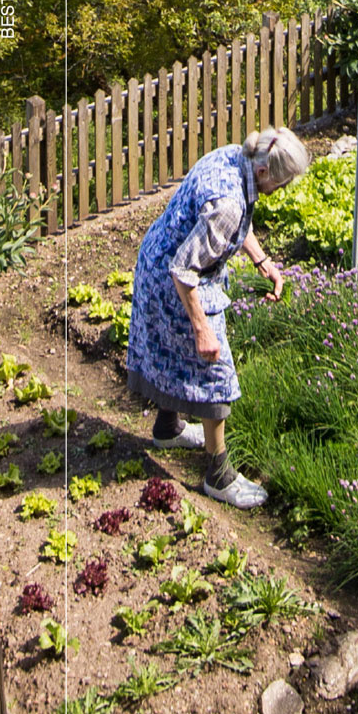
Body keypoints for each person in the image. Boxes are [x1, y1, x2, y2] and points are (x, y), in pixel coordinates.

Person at [125, 127, 311, 508]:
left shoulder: (236, 155)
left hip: (155, 259)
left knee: (170, 353)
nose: (285, 187)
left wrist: (262, 261)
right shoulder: (229, 202)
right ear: (264, 173)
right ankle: (218, 476)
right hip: (176, 280)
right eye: (283, 181)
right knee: (216, 374)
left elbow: (229, 226)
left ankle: (167, 428)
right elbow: (185, 270)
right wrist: (201, 328)